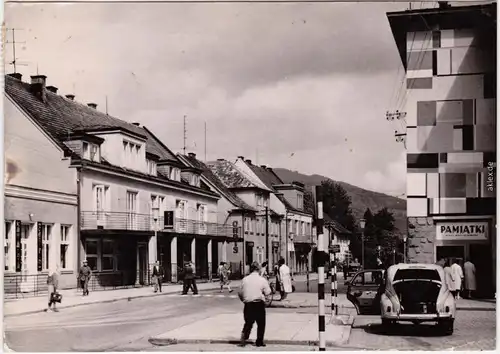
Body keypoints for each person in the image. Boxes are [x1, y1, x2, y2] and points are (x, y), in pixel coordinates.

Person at [238, 261, 271, 347]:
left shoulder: (244, 280)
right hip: (258, 304)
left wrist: (244, 300)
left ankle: (244, 336)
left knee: (248, 322)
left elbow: (240, 293)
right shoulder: (262, 280)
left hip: (248, 304)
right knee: (261, 323)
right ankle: (259, 341)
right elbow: (268, 292)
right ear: (258, 269)